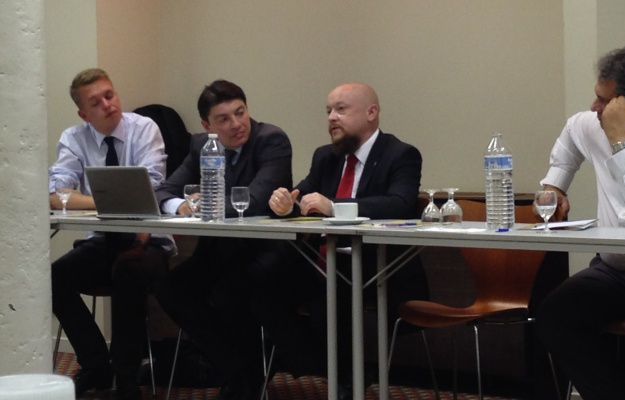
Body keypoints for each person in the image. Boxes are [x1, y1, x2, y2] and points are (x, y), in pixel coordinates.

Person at [268, 82, 430, 399]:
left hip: (379, 267)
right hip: (324, 262)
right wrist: (285, 205)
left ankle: (345, 380)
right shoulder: (325, 157)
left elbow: (400, 204)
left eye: (341, 109)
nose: (331, 117)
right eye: (329, 111)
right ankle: (324, 368)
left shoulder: (401, 154)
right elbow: (302, 199)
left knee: (332, 292)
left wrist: (335, 206)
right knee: (259, 282)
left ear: (371, 112)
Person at [154, 79, 294, 400]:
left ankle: (243, 376)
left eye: (240, 113)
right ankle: (239, 367)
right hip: (220, 250)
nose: (236, 124)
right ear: (207, 126)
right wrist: (181, 206)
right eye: (224, 119)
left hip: (265, 252)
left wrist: (202, 205)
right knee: (170, 288)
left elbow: (254, 201)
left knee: (228, 290)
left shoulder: (271, 140)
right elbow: (163, 192)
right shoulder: (202, 146)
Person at [49, 68, 176, 400]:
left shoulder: (144, 129)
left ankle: (127, 375)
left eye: (110, 95)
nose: (108, 104)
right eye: (96, 102)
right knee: (52, 277)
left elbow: (150, 189)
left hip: (148, 240)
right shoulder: (73, 138)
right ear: (83, 114)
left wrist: (91, 199)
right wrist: (106, 201)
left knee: (128, 270)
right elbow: (57, 194)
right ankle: (96, 365)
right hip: (102, 240)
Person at [536, 46, 625, 400]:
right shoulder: (590, 125)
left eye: (605, 101)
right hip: (614, 268)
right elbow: (569, 139)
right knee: (556, 316)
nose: (595, 107)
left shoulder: (616, 135)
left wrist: (622, 143)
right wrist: (555, 186)